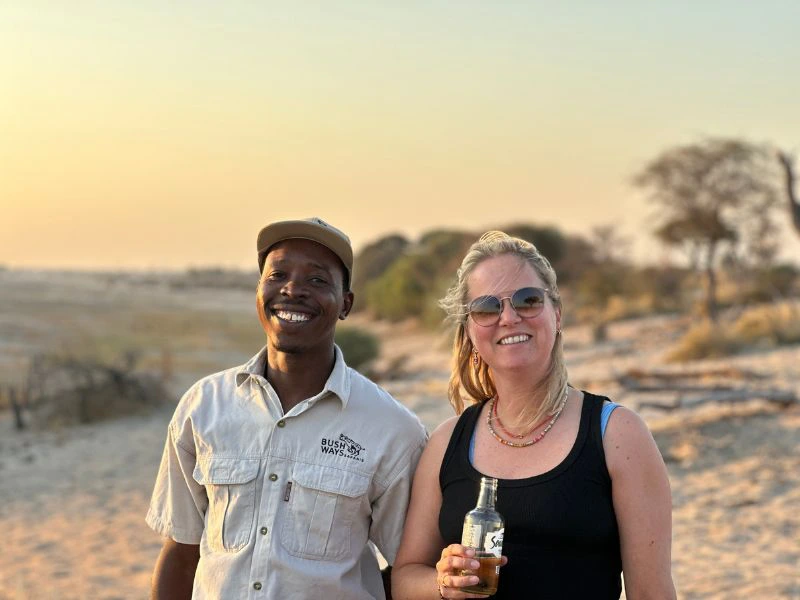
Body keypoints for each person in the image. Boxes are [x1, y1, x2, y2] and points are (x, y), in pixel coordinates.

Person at [146, 217, 427, 599]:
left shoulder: (393, 430)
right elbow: (181, 552)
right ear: (259, 291)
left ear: (346, 304)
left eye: (317, 280)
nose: (292, 289)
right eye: (278, 275)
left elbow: (408, 569)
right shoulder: (203, 407)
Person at [392, 231, 676, 599]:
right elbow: (404, 580)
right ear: (469, 332)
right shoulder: (447, 442)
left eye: (527, 300)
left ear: (556, 315)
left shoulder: (616, 434)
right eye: (487, 307)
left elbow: (651, 593)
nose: (509, 317)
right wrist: (444, 581)